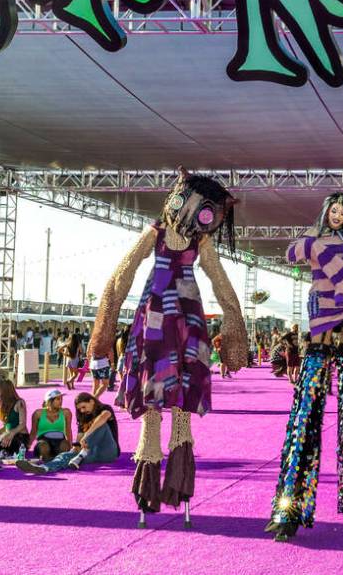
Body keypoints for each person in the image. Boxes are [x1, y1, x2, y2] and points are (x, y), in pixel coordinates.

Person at [89, 169, 248, 528]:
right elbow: (121, 275)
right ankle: (153, 478)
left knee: (180, 406)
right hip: (159, 322)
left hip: (186, 324)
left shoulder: (200, 244)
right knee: (154, 400)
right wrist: (106, 325)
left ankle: (174, 482)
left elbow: (223, 288)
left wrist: (234, 325)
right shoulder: (157, 233)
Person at [267, 192, 343, 543]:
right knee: (306, 411)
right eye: (333, 211)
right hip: (322, 313)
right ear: (326, 213)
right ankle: (289, 508)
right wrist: (320, 248)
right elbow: (290, 253)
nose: (337, 216)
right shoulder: (313, 238)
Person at [18, 392, 121, 474]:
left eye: (84, 407)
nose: (82, 411)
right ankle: (44, 468)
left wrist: (86, 435)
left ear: (92, 401)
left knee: (102, 425)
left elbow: (103, 418)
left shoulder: (105, 409)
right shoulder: (83, 415)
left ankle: (81, 454)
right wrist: (75, 448)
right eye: (79, 409)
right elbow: (80, 437)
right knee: (66, 455)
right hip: (91, 453)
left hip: (108, 451)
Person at [0, 379, 30, 457]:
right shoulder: (2, 404)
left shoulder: (19, 402)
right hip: (7, 435)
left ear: (3, 390)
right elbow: (5, 427)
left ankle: (3, 452)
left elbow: (22, 424)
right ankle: (1, 452)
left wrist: (11, 434)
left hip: (19, 437)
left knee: (7, 442)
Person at [30, 388, 74, 461]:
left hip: (60, 441)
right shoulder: (38, 413)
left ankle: (55, 461)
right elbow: (33, 432)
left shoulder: (66, 412)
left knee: (65, 446)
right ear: (49, 401)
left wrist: (70, 446)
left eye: (61, 399)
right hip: (44, 441)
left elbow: (68, 430)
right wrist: (27, 447)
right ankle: (48, 462)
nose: (61, 401)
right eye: (58, 399)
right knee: (43, 447)